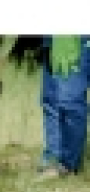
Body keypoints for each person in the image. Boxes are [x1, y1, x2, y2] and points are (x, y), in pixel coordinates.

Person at [37, 35, 88, 178]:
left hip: (75, 40)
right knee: (50, 100)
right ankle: (52, 159)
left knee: (70, 101)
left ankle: (68, 164)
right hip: (52, 39)